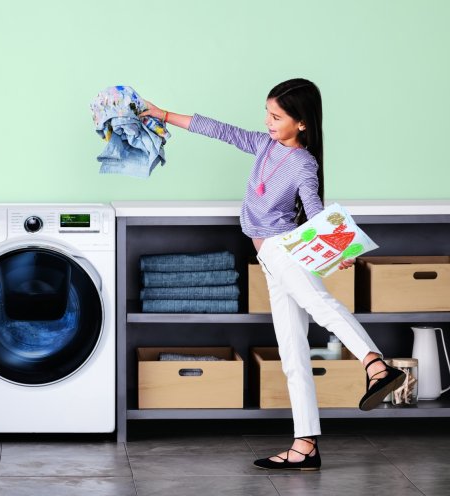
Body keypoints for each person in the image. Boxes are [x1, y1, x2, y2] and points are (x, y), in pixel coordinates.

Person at [140, 78, 405, 471]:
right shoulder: (265, 145)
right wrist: (160, 113)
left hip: (285, 250)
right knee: (292, 351)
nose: (267, 121)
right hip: (270, 261)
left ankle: (376, 365)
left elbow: (313, 209)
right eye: (267, 112)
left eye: (276, 116)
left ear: (301, 123)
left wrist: (338, 250)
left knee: (321, 306)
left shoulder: (303, 163)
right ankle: (305, 445)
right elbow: (219, 130)